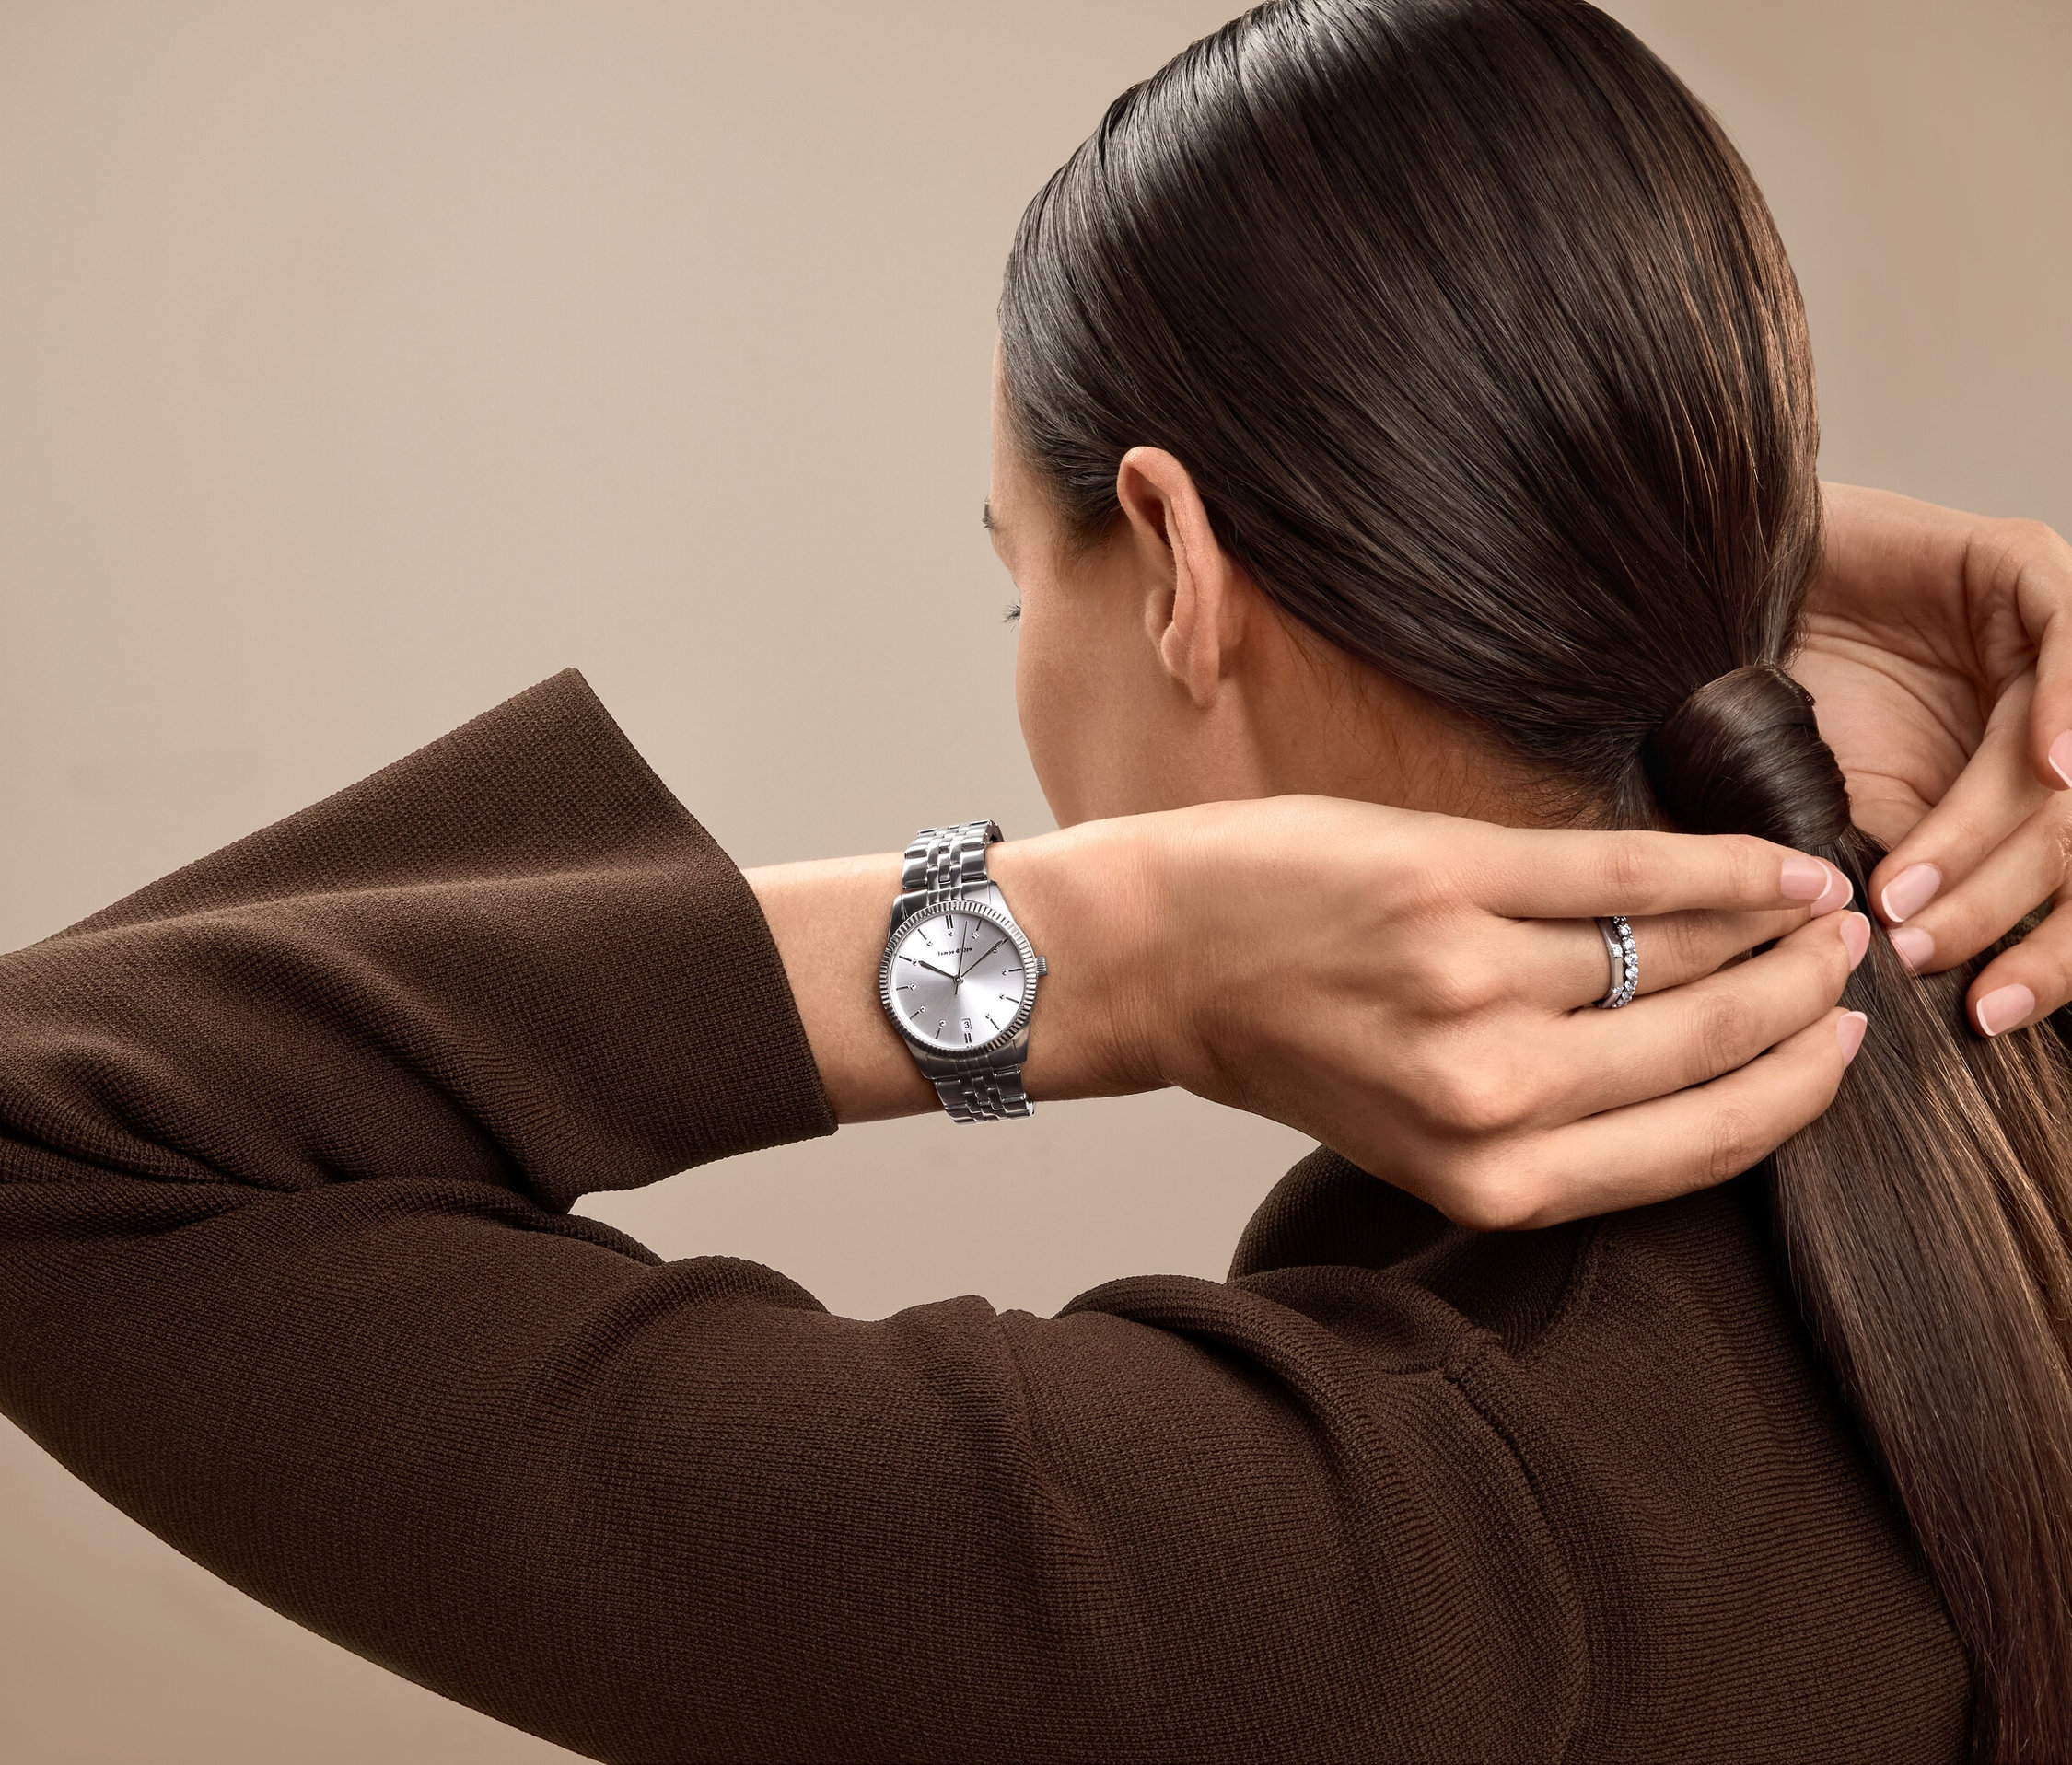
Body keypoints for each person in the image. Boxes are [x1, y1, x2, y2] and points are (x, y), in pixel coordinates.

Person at [4, 1, 2072, 1759]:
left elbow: (52, 1136)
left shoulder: (1356, 1565)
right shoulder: (2008, 1134)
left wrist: (1082, 957)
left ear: (1174, 571)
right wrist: (1693, 547)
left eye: (1018, 582)